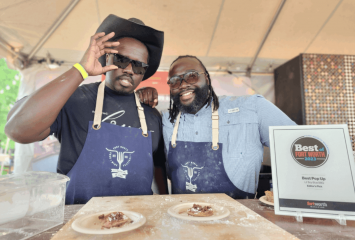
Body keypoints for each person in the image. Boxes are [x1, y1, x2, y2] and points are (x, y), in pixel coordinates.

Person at [5, 15, 167, 204]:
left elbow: (158, 166)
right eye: (122, 60)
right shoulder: (74, 100)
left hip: (138, 223)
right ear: (107, 58)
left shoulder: (152, 115)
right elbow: (17, 129)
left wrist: (163, 206)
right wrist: (81, 70)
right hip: (79, 224)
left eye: (139, 66)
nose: (130, 70)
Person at [138, 55, 296, 199]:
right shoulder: (164, 119)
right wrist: (138, 100)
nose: (183, 85)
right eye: (174, 81)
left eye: (191, 76)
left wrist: (286, 198)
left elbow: (298, 146)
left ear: (206, 78)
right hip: (184, 220)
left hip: (241, 221)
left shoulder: (252, 108)